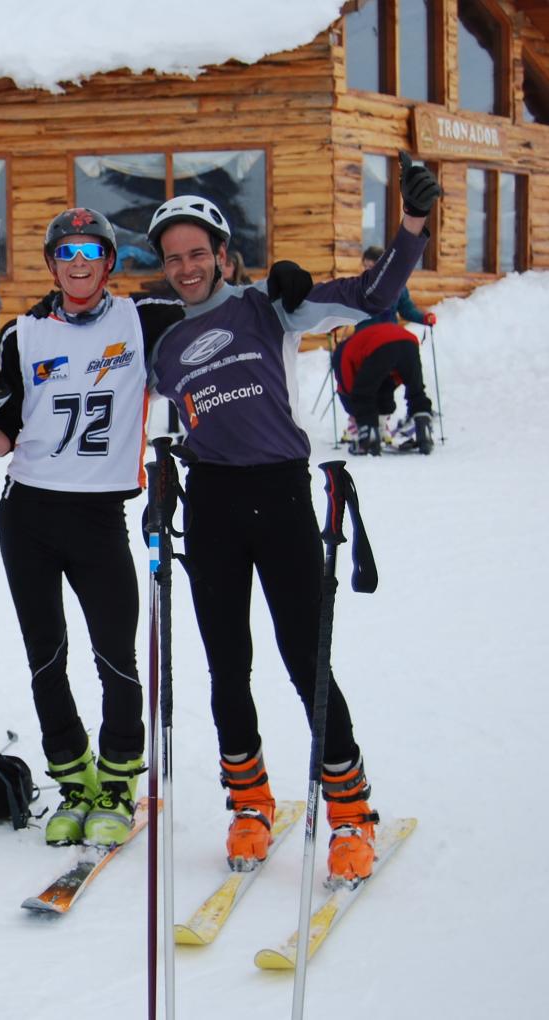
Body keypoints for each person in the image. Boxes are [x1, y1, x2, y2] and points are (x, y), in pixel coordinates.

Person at [146, 152, 441, 884]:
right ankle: (248, 804)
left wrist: (410, 222)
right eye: (172, 258)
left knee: (304, 661)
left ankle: (349, 814)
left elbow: (375, 295)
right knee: (226, 667)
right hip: (209, 504)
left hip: (278, 498)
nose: (185, 268)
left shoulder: (266, 306)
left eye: (196, 253)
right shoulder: (161, 342)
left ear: (220, 253)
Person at [0, 207, 185, 848]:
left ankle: (118, 782)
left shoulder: (145, 319)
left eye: (92, 250)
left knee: (115, 657)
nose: (80, 262)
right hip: (28, 515)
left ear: (110, 261)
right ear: (52, 263)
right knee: (48, 658)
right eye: (66, 252)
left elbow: (217, 314)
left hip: (100, 516)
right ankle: (73, 782)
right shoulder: (22, 335)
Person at [335, 245, 437, 454]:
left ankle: (372, 428)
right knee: (376, 385)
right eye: (365, 266)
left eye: (370, 265)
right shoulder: (361, 286)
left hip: (375, 342)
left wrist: (423, 318)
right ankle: (365, 424)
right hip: (381, 341)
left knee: (371, 386)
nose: (367, 269)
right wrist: (336, 322)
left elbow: (407, 309)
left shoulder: (395, 287)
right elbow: (348, 311)